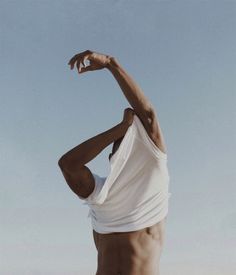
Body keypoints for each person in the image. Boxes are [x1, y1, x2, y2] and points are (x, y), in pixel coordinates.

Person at [58, 50, 170, 275]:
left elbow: (148, 114)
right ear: (111, 159)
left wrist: (111, 64)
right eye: (120, 143)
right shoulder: (100, 194)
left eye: (130, 138)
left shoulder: (154, 175)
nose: (127, 142)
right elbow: (68, 164)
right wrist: (119, 129)